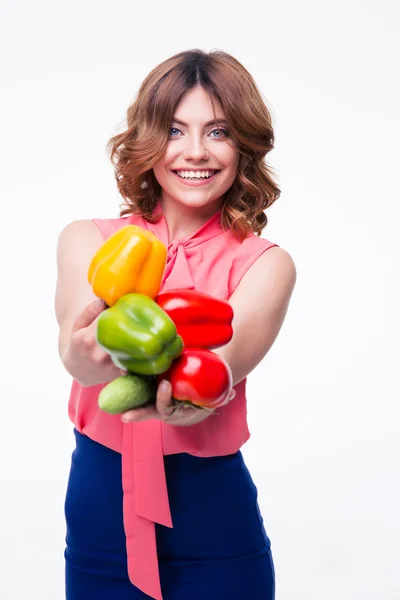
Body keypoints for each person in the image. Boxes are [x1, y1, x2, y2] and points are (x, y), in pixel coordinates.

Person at [55, 48, 297, 600]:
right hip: (99, 513)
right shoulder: (87, 239)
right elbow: (75, 356)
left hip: (212, 516)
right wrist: (83, 353)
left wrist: (193, 397)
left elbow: (222, 370)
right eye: (173, 129)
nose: (194, 152)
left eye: (218, 131)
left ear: (243, 147)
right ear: (145, 140)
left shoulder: (265, 262)